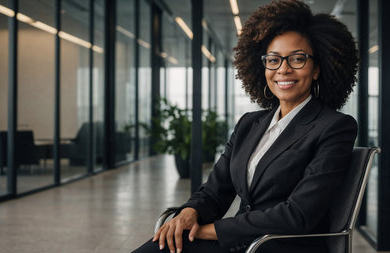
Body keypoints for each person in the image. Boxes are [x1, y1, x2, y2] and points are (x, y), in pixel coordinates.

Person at [134, 0, 358, 252]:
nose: (283, 69)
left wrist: (211, 230)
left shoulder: (335, 127)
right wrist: (191, 212)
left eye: (297, 58)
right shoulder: (250, 123)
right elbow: (215, 190)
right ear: (262, 67)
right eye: (273, 60)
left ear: (317, 69)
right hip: (241, 242)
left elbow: (298, 215)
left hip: (278, 245)